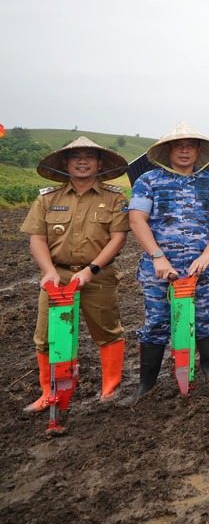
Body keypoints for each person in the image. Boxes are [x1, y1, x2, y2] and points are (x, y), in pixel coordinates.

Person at [123, 123, 209, 403]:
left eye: (191, 145)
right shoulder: (148, 181)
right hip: (158, 270)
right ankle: (146, 386)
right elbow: (137, 220)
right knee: (157, 322)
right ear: (168, 150)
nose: (185, 150)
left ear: (199, 150)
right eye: (178, 145)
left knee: (204, 318)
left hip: (200, 266)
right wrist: (158, 257)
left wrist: (208, 253)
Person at [20, 138, 130, 410]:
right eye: (76, 157)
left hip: (98, 274)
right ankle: (49, 392)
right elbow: (37, 238)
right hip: (56, 275)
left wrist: (91, 269)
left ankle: (110, 388)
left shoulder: (114, 198)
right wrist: (47, 271)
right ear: (66, 164)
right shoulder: (47, 198)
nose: (82, 161)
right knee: (46, 335)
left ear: (99, 164)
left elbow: (118, 238)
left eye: (89, 157)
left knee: (107, 331)